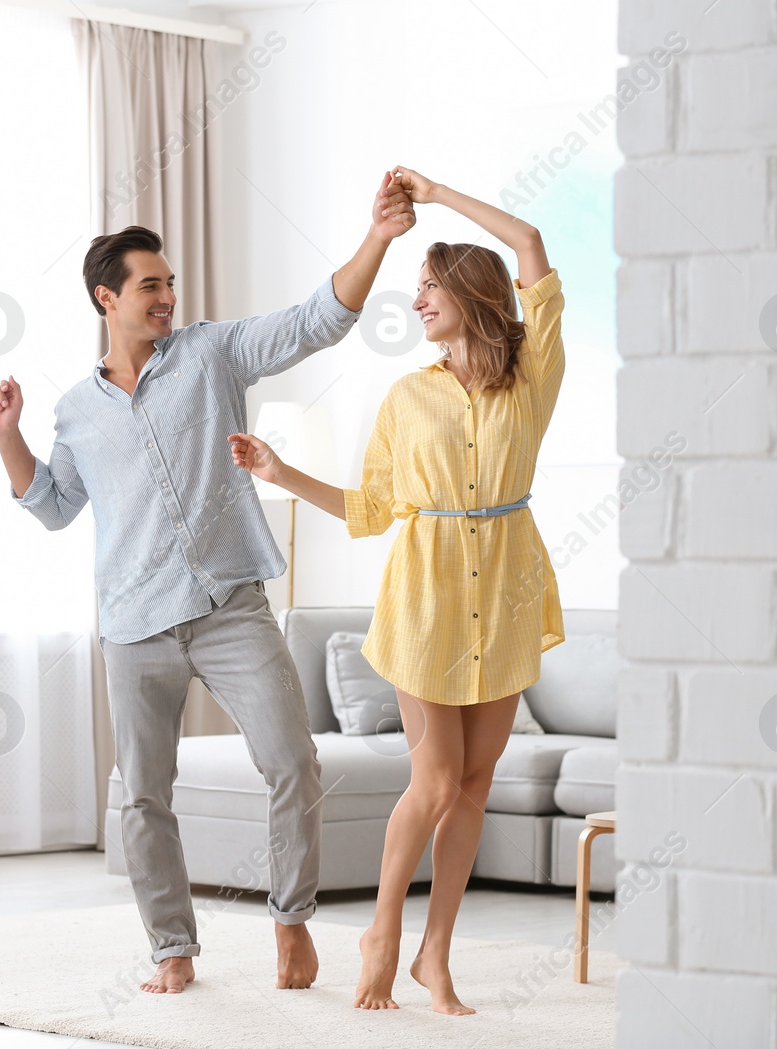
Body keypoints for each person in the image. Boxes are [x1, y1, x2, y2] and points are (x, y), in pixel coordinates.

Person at [0, 175, 416, 994]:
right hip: (135, 622)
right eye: (152, 286)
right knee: (144, 794)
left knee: (293, 758)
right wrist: (8, 437)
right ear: (107, 298)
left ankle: (292, 923)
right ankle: (171, 949)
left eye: (171, 283)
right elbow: (53, 505)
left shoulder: (212, 353)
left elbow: (315, 319)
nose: (169, 297)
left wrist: (380, 237)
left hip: (229, 606)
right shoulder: (76, 409)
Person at [228, 166, 566, 1015]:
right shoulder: (406, 396)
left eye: (428, 287)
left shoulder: (534, 375)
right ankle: (382, 932)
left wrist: (441, 197)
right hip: (425, 598)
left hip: (511, 592)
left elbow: (528, 243)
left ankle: (435, 954)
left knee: (477, 783)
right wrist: (281, 471)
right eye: (416, 288)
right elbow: (372, 509)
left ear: (469, 294)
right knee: (439, 780)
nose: (417, 301)